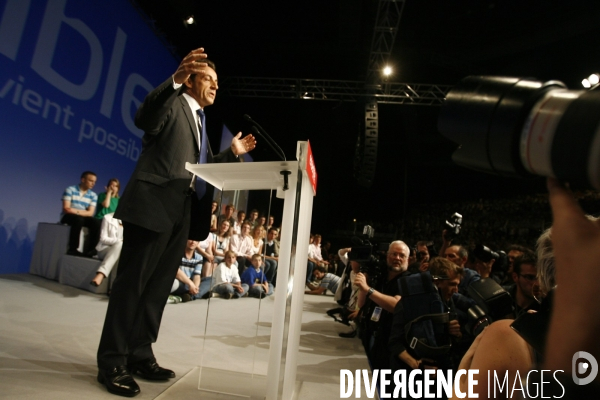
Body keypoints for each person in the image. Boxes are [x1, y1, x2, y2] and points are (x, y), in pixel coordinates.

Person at [96, 48, 256, 397]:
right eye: (210, 80)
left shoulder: (200, 119)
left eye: (217, 82)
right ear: (192, 79)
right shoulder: (174, 102)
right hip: (152, 206)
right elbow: (145, 117)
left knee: (155, 291)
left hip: (180, 214)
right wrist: (174, 81)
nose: (215, 87)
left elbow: (203, 168)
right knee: (132, 287)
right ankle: (111, 362)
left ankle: (139, 353)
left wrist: (232, 154)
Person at [61, 171, 101, 257]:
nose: (93, 183)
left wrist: (77, 211)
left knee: (96, 222)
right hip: (68, 216)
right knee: (78, 220)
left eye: (94, 182)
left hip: (80, 215)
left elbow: (90, 213)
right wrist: (82, 212)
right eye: (91, 181)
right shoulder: (70, 189)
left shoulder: (93, 195)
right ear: (83, 180)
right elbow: (66, 209)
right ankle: (72, 249)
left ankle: (91, 250)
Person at [90, 213, 123, 287]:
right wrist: (119, 241)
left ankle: (101, 275)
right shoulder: (108, 217)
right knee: (119, 246)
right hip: (104, 249)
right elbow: (103, 238)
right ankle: (112, 287)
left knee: (118, 253)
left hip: (120, 251)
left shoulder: (131, 222)